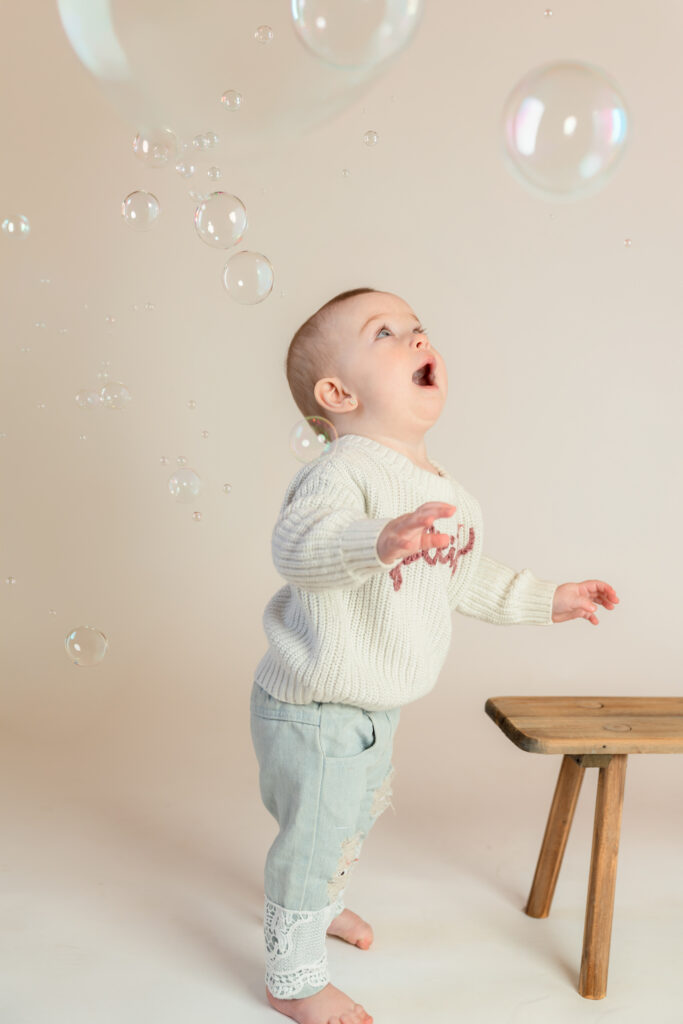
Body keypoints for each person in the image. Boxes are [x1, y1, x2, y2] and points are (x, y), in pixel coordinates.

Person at [250, 287, 619, 1024]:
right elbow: (296, 547)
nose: (418, 339)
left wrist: (553, 597)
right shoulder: (344, 468)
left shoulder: (447, 492)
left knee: (347, 823)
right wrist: (378, 539)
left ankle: (319, 903)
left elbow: (470, 578)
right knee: (315, 833)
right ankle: (291, 976)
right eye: (386, 333)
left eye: (419, 328)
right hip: (315, 703)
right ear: (337, 392)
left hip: (377, 699)